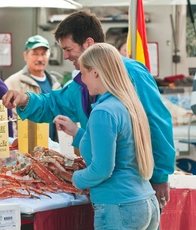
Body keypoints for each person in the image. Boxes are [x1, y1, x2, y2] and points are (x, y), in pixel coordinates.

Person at [2, 10, 175, 209]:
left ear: (89, 44)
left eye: (68, 49)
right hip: (107, 194)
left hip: (132, 192)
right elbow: (54, 103)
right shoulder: (81, 84)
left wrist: (161, 175)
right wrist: (24, 99)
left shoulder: (132, 73)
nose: (65, 56)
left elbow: (157, 122)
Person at [54, 43, 160, 229]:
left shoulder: (103, 112)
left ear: (95, 72)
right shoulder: (128, 104)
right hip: (146, 202)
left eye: (83, 73)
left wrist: (73, 178)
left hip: (118, 206)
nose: (82, 81)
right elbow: (118, 146)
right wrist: (76, 133)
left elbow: (102, 169)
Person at [4, 35, 61, 141]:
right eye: (35, 54)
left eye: (44, 54)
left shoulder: (55, 83)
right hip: (27, 149)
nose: (40, 59)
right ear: (25, 56)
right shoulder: (12, 83)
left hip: (53, 148)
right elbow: (9, 120)